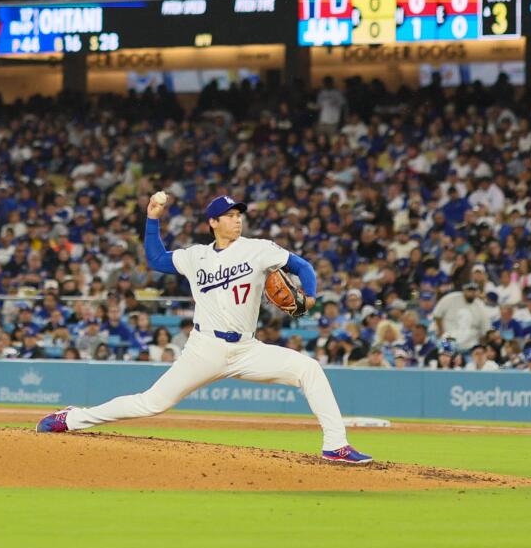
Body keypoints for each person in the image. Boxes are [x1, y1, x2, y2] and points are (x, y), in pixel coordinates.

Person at [35, 194, 372, 464]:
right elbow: (156, 259)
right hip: (205, 349)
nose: (237, 219)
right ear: (213, 222)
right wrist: (152, 218)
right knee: (151, 403)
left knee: (309, 369)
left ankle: (336, 446)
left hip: (247, 350)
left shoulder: (259, 249)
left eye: (239, 214)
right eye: (229, 215)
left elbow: (302, 265)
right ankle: (72, 419)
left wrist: (310, 294)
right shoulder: (195, 256)